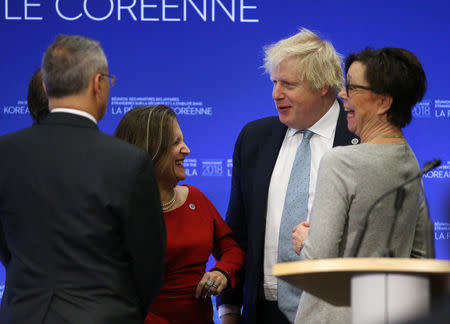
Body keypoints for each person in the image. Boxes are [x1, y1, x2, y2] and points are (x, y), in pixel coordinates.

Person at [0, 35, 166, 324]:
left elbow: (6, 247)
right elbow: (148, 264)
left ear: (45, 86)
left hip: (23, 314)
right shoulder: (129, 162)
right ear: (97, 84)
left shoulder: (5, 153)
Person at [216, 28, 358, 324]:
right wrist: (228, 308)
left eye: (288, 84)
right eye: (274, 82)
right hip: (264, 310)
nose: (276, 94)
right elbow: (238, 231)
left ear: (323, 86)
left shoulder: (362, 139)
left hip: (339, 310)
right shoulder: (254, 138)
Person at [294, 47, 432, 324]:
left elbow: (318, 262)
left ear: (383, 102)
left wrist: (304, 242)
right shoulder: (410, 162)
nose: (342, 95)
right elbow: (421, 257)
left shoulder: (341, 162)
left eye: (352, 88)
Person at [114, 105, 245, 324]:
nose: (186, 149)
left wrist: (221, 272)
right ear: (149, 150)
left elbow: (232, 250)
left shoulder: (196, 198)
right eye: (176, 143)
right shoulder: (120, 211)